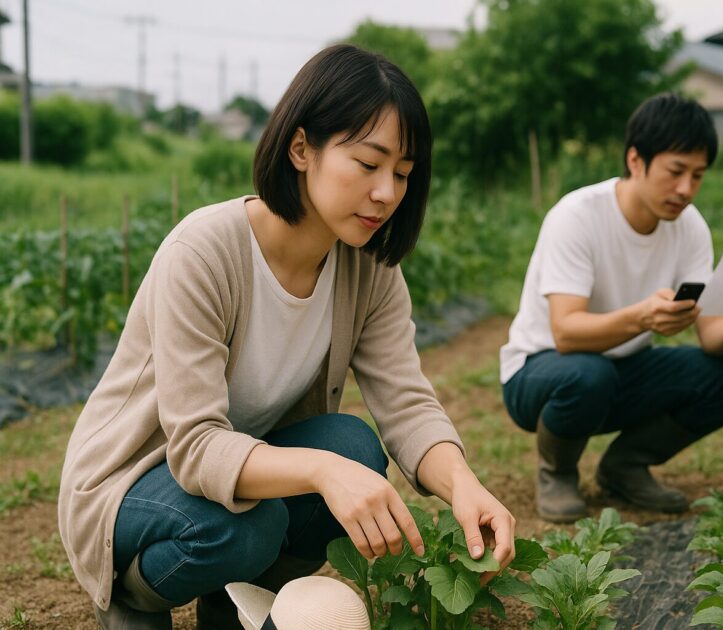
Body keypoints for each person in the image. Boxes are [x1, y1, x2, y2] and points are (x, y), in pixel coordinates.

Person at [58, 44, 515, 629]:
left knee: (355, 448)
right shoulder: (203, 252)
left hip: (245, 472)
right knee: (259, 516)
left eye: (402, 173)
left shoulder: (368, 268)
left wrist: (463, 486)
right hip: (134, 484)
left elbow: (405, 401)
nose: (386, 193)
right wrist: (323, 473)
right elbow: (196, 446)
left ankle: (229, 609)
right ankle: (135, 598)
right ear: (302, 148)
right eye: (368, 164)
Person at [499, 93, 723, 523]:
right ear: (636, 160)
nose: (686, 189)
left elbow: (713, 341)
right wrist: (642, 317)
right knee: (589, 373)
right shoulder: (577, 216)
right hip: (539, 372)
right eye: (676, 172)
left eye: (698, 176)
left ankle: (624, 465)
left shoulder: (690, 227)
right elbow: (566, 332)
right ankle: (558, 472)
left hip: (620, 372)